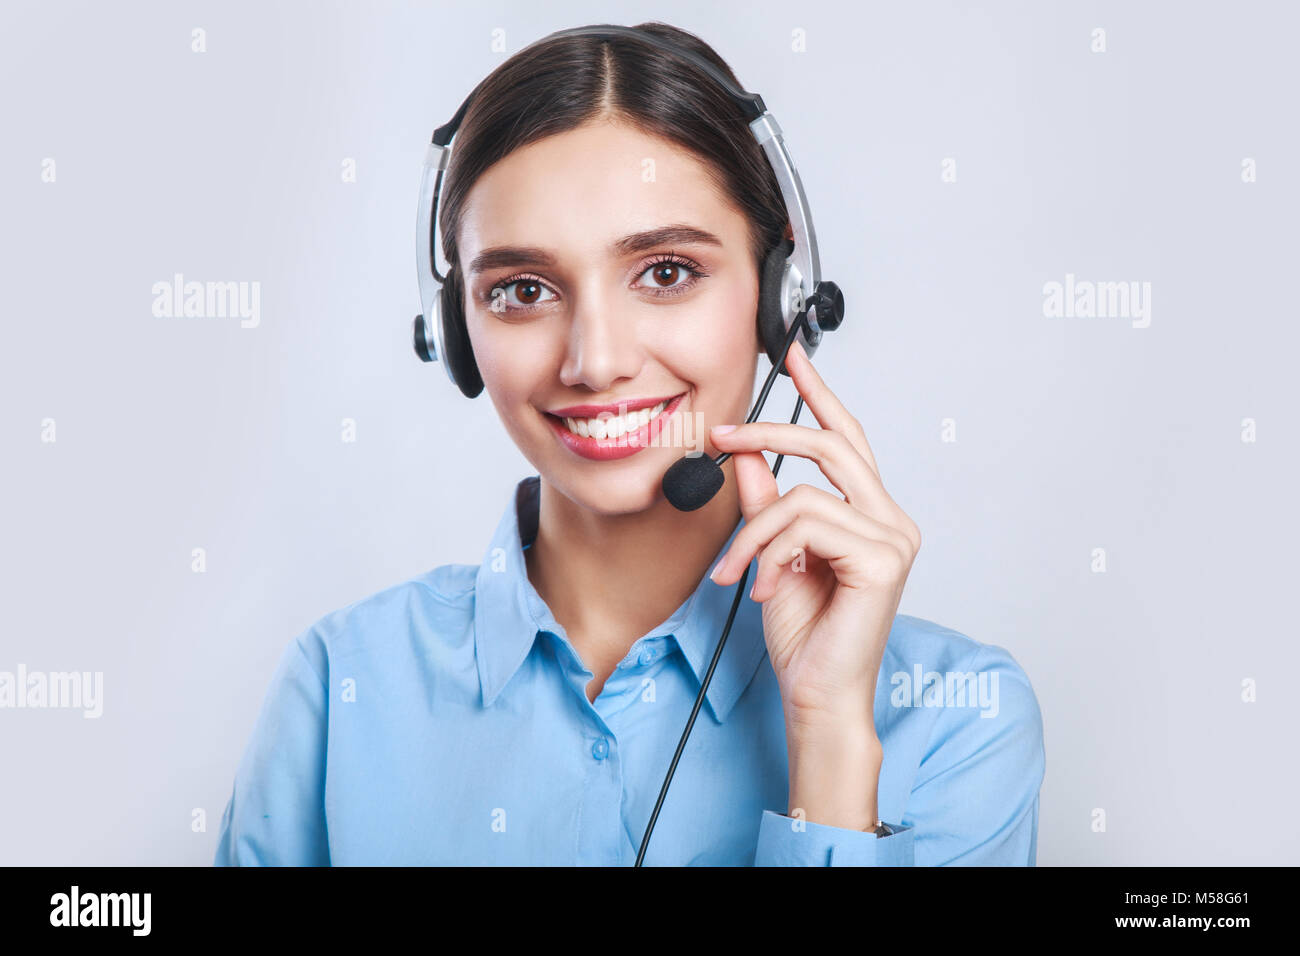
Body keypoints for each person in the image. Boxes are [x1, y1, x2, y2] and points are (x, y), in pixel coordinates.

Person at [214, 21, 1045, 866]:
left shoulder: (954, 719)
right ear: (453, 330)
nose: (596, 362)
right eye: (524, 289)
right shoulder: (339, 688)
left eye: (666, 272)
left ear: (780, 295)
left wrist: (830, 744)